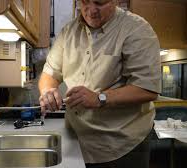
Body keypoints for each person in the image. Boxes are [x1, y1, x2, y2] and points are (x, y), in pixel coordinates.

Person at [38, 0, 161, 167]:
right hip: (76, 139)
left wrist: (99, 98)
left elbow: (147, 89)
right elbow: (50, 71)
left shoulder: (137, 29)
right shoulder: (69, 31)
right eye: (85, 2)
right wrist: (48, 90)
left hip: (121, 146)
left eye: (100, 2)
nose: (91, 10)